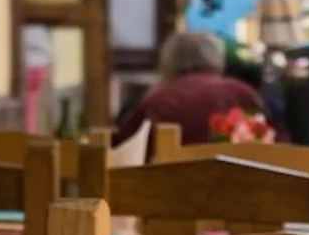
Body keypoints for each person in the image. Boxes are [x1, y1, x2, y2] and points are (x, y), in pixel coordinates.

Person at [110, 29, 270, 147]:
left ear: (169, 60)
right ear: (216, 58)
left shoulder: (157, 97)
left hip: (170, 187)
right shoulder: (241, 92)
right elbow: (275, 142)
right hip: (238, 185)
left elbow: (123, 144)